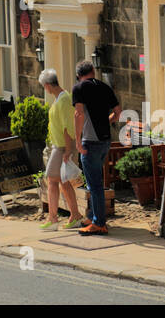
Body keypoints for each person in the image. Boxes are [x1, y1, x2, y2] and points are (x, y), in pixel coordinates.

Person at [73, 61, 121, 236]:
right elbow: (118, 112)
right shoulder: (105, 87)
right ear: (93, 72)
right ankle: (93, 216)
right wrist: (105, 122)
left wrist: (77, 141)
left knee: (94, 185)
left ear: (79, 75)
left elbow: (78, 114)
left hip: (90, 142)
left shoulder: (78, 88)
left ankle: (99, 224)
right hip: (105, 141)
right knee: (95, 181)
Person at [38, 69, 86, 231]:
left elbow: (67, 127)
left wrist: (67, 150)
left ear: (47, 86)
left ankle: (53, 218)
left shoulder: (64, 99)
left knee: (52, 179)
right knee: (63, 182)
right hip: (57, 146)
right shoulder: (60, 98)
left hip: (62, 147)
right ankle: (75, 216)